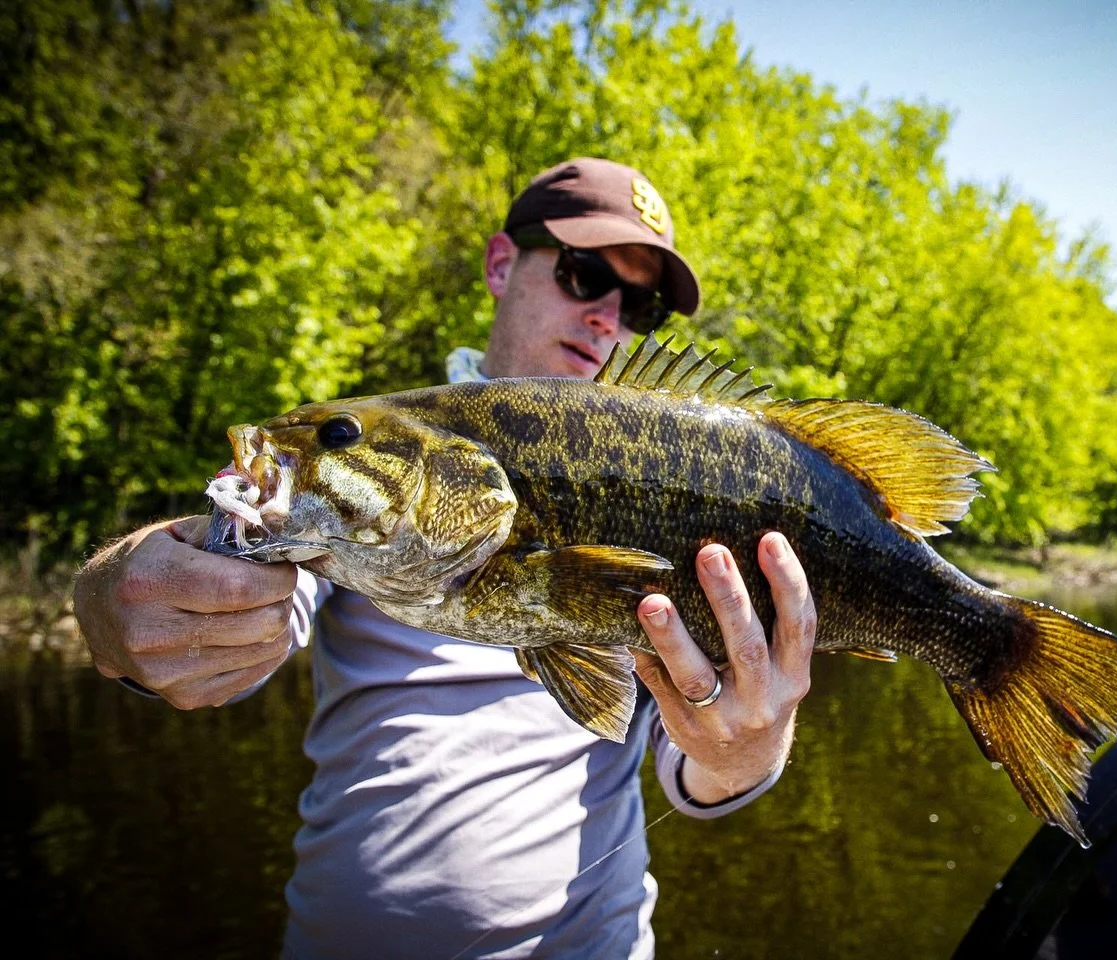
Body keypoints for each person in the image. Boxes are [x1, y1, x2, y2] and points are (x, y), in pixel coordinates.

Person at [72, 158, 817, 959]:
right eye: (585, 274)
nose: (608, 316)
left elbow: (696, 773)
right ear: (502, 263)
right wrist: (117, 595)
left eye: (643, 306)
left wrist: (748, 746)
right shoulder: (385, 447)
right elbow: (226, 597)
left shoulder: (673, 476)